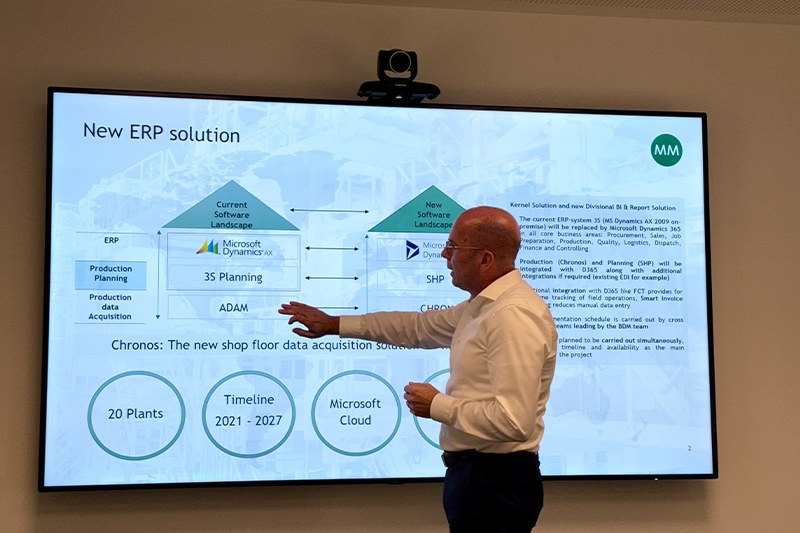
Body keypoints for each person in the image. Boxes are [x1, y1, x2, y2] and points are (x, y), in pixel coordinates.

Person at [279, 206, 557, 532]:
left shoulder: (511, 315)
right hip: (480, 478)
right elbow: (417, 327)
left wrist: (437, 405)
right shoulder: (484, 307)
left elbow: (513, 422)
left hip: (495, 482)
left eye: (453, 246)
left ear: (485, 259)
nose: (444, 255)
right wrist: (335, 324)